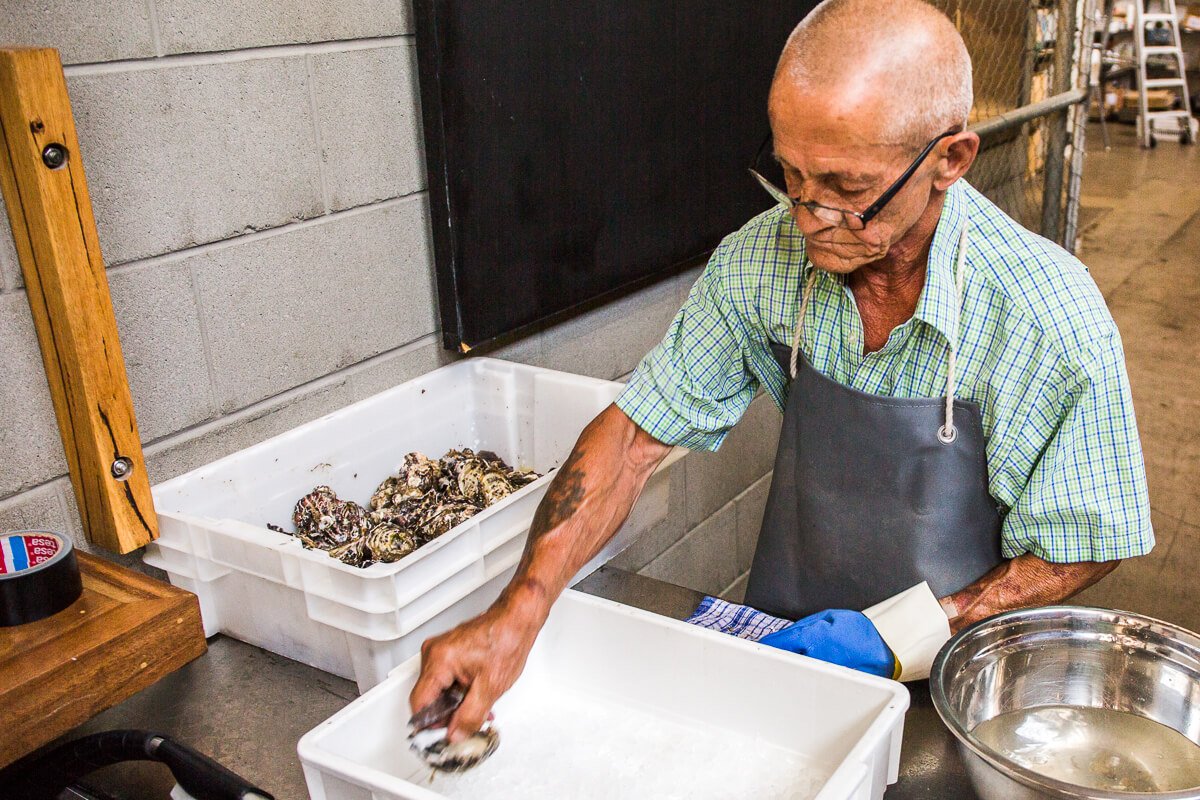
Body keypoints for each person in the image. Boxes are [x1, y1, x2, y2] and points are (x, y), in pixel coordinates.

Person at [411, 0, 1153, 737]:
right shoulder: (760, 262)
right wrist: (519, 611)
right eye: (792, 176)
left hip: (964, 679)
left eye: (847, 189)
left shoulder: (1046, 316)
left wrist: (904, 633)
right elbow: (633, 441)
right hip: (794, 659)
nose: (808, 219)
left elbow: (1085, 547)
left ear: (949, 161)